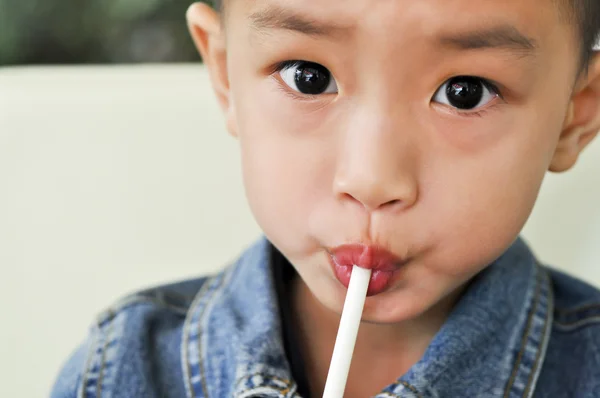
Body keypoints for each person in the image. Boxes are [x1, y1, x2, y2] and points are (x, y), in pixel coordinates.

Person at [51, 0, 600, 396]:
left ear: (574, 116)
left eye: (465, 92)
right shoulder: (126, 369)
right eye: (309, 78)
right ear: (225, 74)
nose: (372, 180)